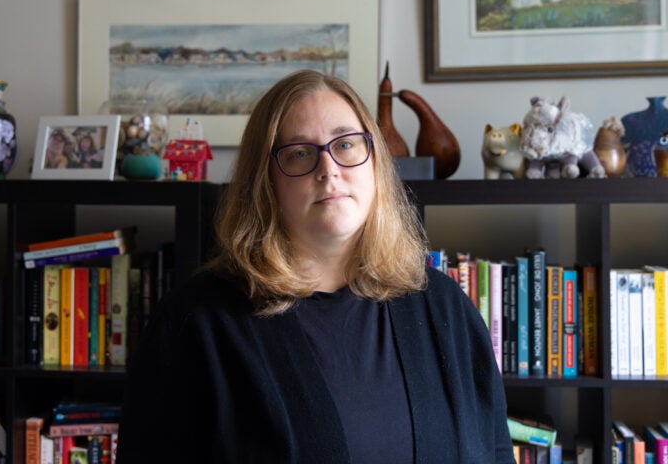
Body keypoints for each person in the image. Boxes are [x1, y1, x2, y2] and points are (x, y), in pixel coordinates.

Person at [117, 70, 514, 463]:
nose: (329, 170)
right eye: (300, 153)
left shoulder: (445, 308)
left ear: (375, 162)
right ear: (265, 182)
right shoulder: (196, 323)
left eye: (346, 144)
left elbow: (495, 451)